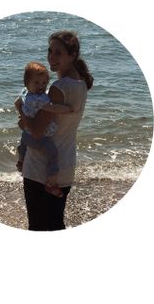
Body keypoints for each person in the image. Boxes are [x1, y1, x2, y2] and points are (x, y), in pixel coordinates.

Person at [15, 31, 93, 231]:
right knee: (56, 224)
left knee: (39, 228)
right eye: (50, 51)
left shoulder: (58, 88)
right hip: (64, 165)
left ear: (72, 55)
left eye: (58, 53)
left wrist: (20, 112)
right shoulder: (82, 83)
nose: (51, 57)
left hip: (41, 170)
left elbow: (37, 132)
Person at [15, 61, 73, 197]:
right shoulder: (39, 100)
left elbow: (17, 102)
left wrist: (21, 111)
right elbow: (52, 108)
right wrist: (68, 109)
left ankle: (21, 158)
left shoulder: (25, 93)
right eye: (36, 83)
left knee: (23, 143)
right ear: (27, 83)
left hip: (26, 134)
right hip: (40, 138)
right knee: (53, 153)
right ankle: (51, 182)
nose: (41, 87)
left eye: (44, 83)